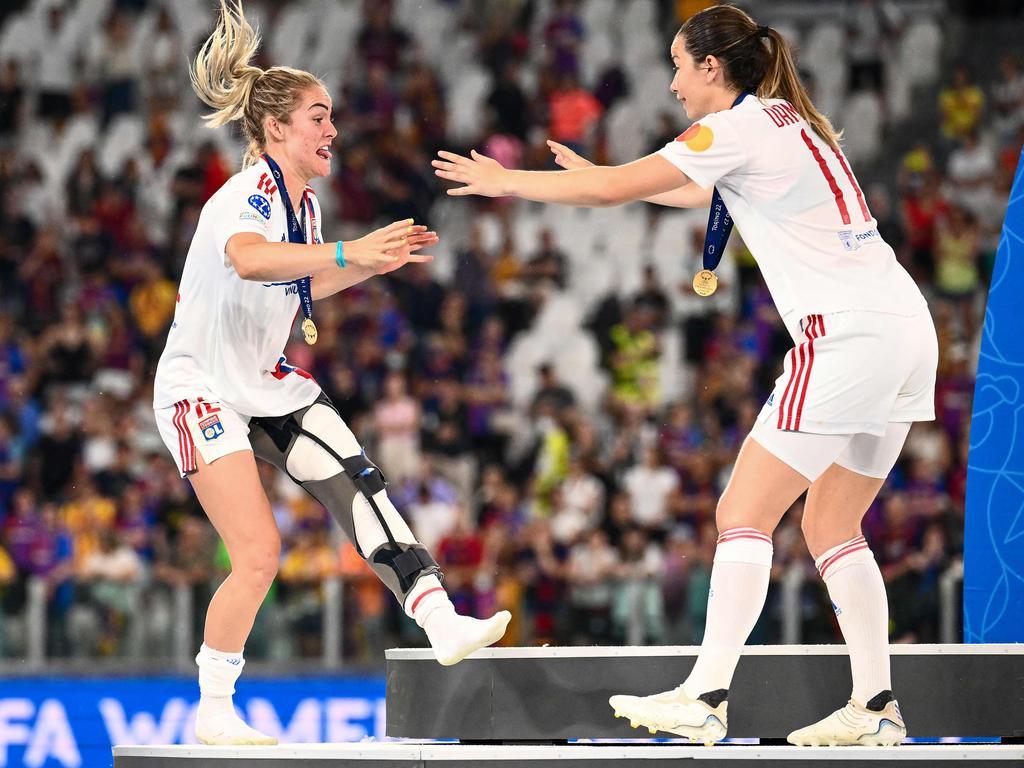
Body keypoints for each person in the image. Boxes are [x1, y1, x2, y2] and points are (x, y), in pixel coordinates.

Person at [433, 4, 935, 748]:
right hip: (905, 332)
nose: (669, 83)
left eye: (677, 65)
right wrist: (610, 176)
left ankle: (705, 695)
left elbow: (617, 193)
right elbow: (686, 189)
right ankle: (876, 706)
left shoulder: (733, 129)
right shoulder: (788, 122)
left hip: (845, 338)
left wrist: (510, 181)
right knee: (831, 524)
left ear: (711, 67)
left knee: (741, 513)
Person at [152, 0, 510, 746]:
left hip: (265, 379)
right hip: (203, 389)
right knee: (256, 556)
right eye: (320, 116)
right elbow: (250, 260)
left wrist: (371, 263)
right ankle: (214, 706)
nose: (333, 131)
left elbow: (301, 282)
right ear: (277, 127)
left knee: (361, 482)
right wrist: (352, 252)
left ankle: (440, 621)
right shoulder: (247, 193)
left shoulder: (305, 207)